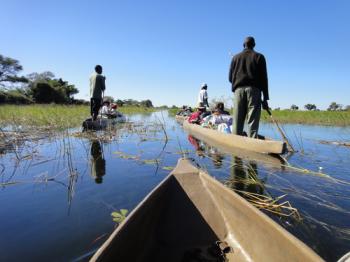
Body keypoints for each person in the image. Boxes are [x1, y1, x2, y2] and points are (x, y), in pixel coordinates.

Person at [229, 36, 269, 138]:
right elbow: (264, 79)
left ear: (243, 45)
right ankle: (252, 140)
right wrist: (265, 98)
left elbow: (230, 78)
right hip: (254, 90)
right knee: (253, 119)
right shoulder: (259, 57)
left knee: (238, 119)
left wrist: (237, 85)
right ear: (254, 45)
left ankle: (236, 140)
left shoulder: (235, 58)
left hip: (239, 91)